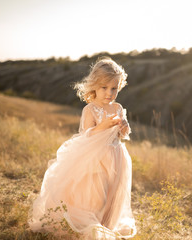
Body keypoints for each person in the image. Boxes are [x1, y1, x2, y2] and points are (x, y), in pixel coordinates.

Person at [28, 57, 137, 239]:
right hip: (96, 156)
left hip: (116, 155)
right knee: (98, 195)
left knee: (113, 193)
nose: (109, 93)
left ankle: (105, 227)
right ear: (94, 85)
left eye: (114, 88)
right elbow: (88, 135)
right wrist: (104, 125)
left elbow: (122, 135)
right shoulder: (90, 109)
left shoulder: (118, 107)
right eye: (104, 87)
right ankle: (89, 226)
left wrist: (124, 128)